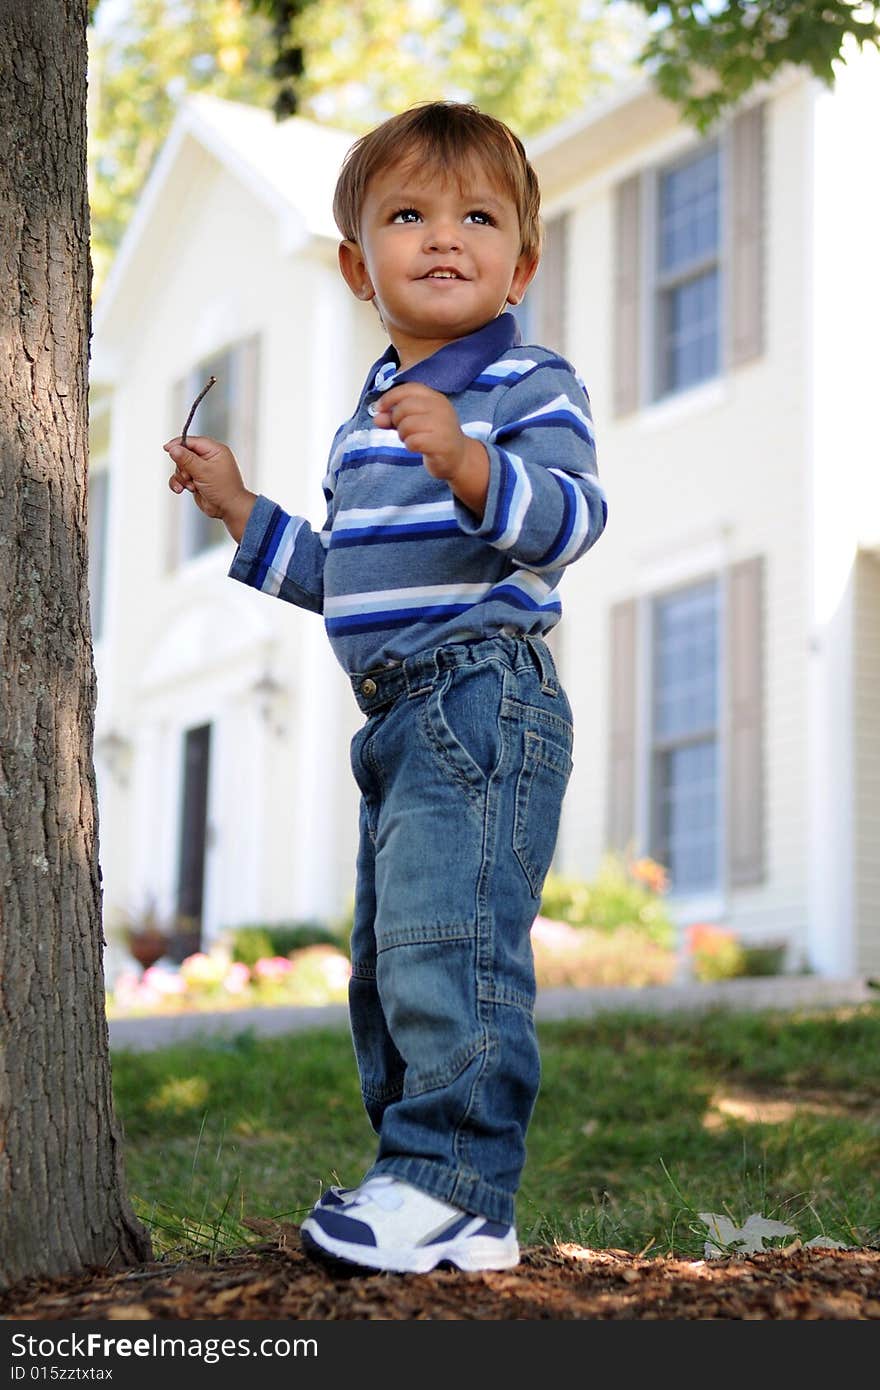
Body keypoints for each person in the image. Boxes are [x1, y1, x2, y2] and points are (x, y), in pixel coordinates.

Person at [163, 101, 607, 1275]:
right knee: (396, 958)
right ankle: (421, 1187)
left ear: (522, 259)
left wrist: (469, 460)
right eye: (407, 216)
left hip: (480, 696)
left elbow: (568, 519)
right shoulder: (366, 424)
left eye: (477, 217)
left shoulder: (524, 382)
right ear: (361, 264)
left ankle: (453, 1184)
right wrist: (243, 513)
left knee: (452, 943)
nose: (443, 237)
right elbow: (343, 576)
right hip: (398, 717)